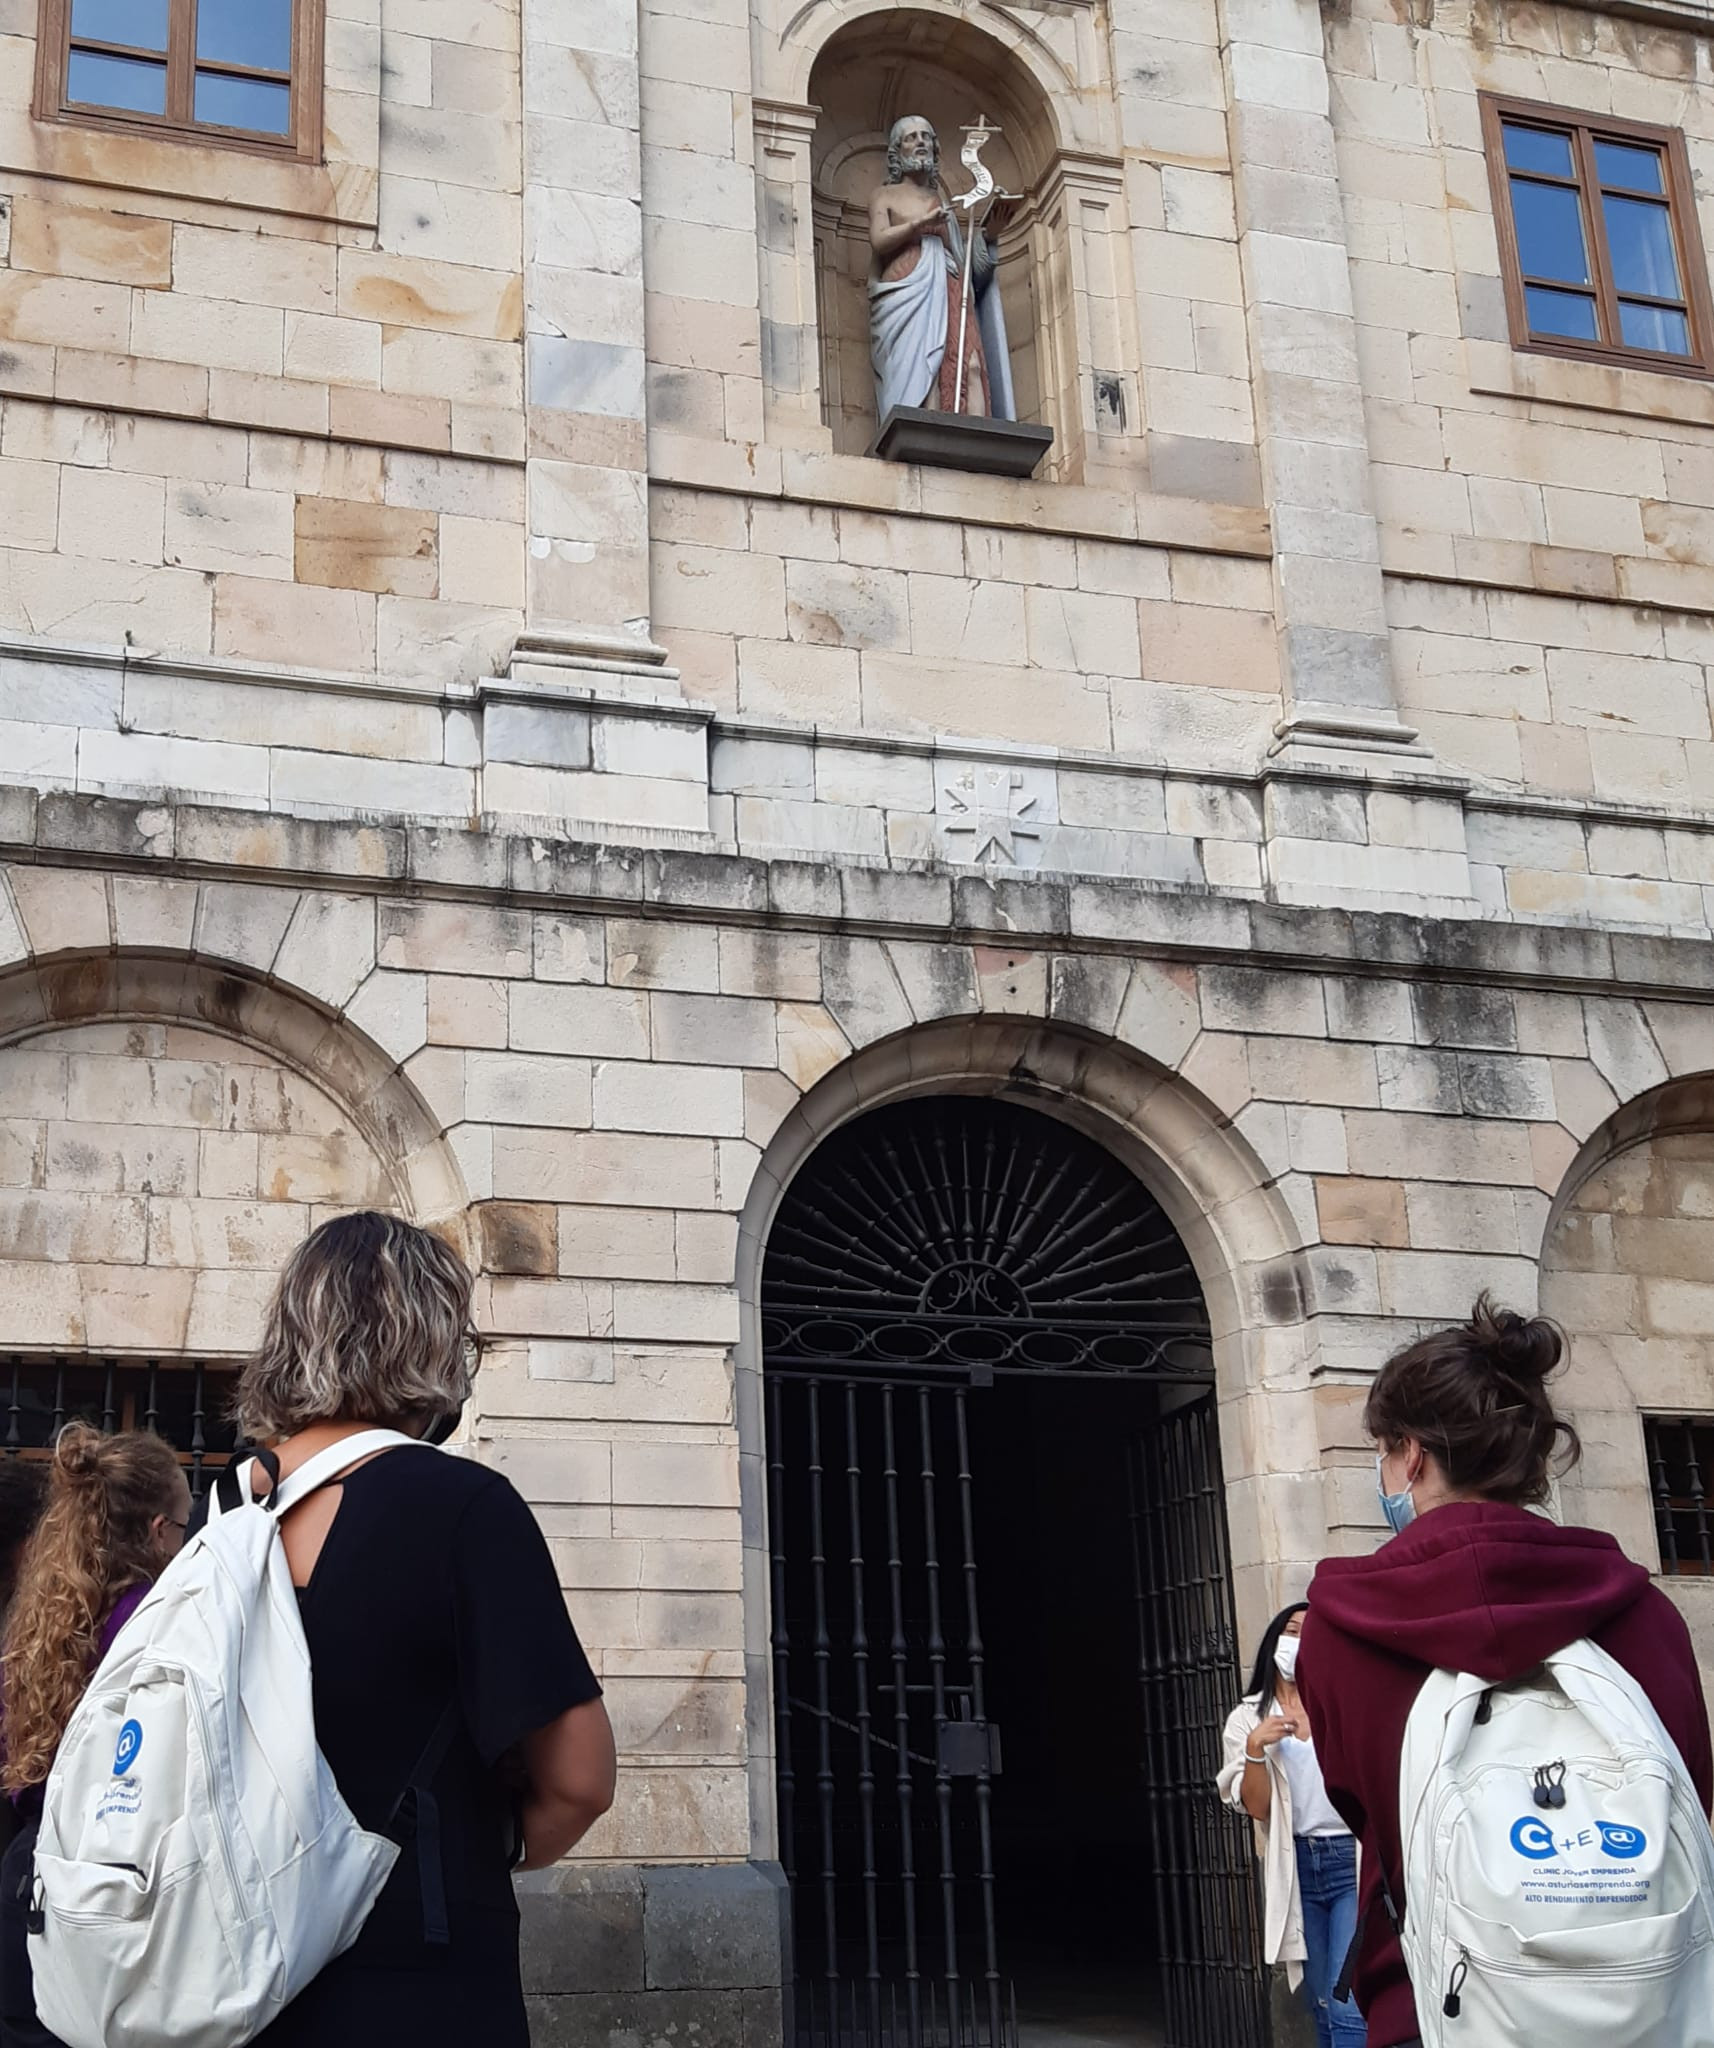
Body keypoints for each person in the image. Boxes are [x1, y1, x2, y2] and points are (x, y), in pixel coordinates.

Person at [228, 1210, 616, 2047]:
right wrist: (480, 1852)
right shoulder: (464, 1510)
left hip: (229, 1972)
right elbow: (580, 1780)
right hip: (413, 1973)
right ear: (432, 1341)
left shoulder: (223, 1518)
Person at [1299, 1296, 1714, 2048]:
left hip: (1435, 2009)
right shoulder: (1642, 1611)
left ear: (1412, 1456)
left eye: (1385, 1451)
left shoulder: (1343, 1628)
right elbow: (1692, 1784)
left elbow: (1366, 1810)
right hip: (1650, 2009)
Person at [0, 1424, 190, 2047]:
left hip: (27, 1877)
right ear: (160, 1531)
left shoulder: (43, 1613)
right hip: (106, 1895)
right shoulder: (152, 1625)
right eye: (187, 1525)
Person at [1219, 1604, 1364, 2047]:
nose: (1298, 1640)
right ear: (1274, 1641)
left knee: (1347, 2002)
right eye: (1291, 1630)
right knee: (1320, 2001)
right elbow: (1257, 1808)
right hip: (1297, 1864)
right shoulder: (1247, 1718)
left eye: (1309, 1633)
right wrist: (1256, 1748)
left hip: (1350, 1861)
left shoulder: (1344, 1704)